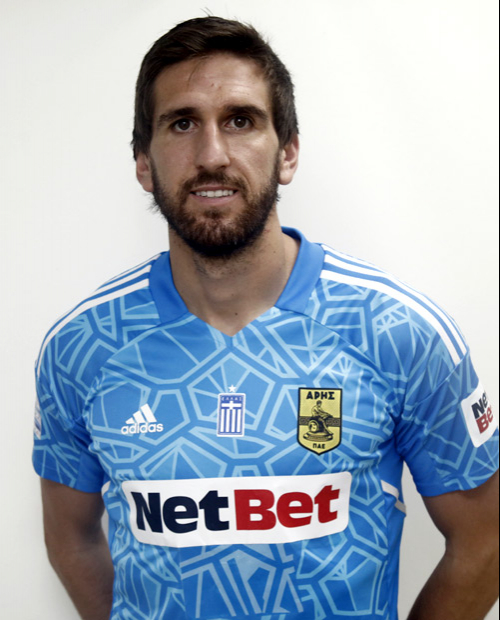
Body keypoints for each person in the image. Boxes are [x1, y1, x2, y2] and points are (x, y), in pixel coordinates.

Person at [33, 16, 499, 620]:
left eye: (241, 121)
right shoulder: (82, 347)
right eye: (182, 123)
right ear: (144, 163)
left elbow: (485, 540)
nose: (212, 155)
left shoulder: (399, 333)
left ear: (288, 152)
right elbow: (71, 538)